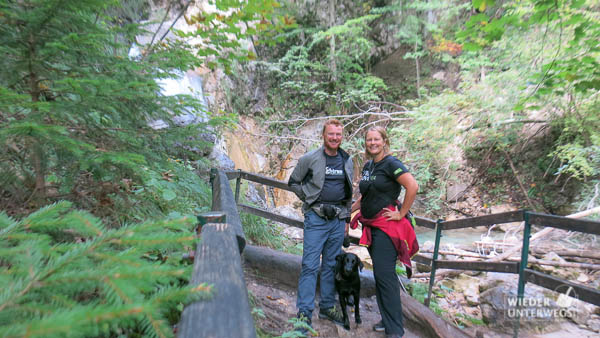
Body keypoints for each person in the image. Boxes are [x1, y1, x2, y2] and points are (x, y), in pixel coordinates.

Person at [350, 126, 419, 338]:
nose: (372, 143)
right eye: (369, 140)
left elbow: (412, 186)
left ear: (384, 141)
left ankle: (395, 330)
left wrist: (401, 213)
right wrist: (348, 211)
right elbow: (367, 194)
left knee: (385, 276)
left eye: (376, 139)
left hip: (387, 228)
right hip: (372, 226)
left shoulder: (392, 163)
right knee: (381, 276)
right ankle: (388, 319)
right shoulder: (370, 165)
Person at [288, 119, 354, 333]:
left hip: (337, 220)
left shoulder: (346, 160)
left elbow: (348, 193)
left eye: (338, 135)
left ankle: (326, 306)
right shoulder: (310, 158)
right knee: (309, 265)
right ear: (324, 135)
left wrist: (345, 220)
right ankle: (304, 313)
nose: (335, 138)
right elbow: (294, 182)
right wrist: (310, 201)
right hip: (316, 219)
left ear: (341, 137)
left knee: (331, 266)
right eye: (331, 134)